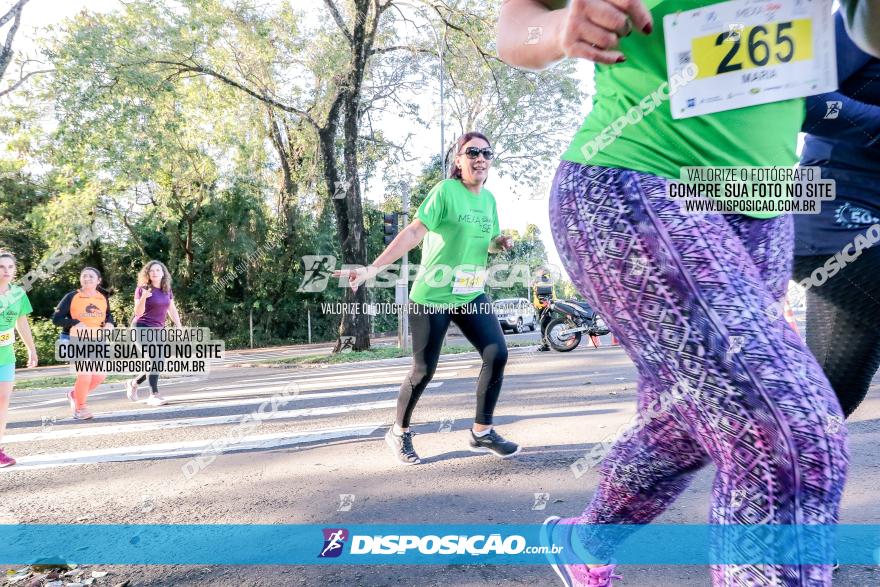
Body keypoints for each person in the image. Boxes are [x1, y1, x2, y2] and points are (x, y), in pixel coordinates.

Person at [499, 2, 848, 586]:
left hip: (761, 201)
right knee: (787, 434)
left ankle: (583, 543)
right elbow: (515, 28)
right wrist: (559, 29)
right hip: (637, 175)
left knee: (681, 423)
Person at [334, 132, 520, 465]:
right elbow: (414, 231)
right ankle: (399, 431)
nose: (480, 158)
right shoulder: (446, 192)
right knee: (424, 370)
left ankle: (481, 431)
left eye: (486, 153)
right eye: (472, 152)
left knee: (497, 354)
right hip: (432, 295)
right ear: (458, 160)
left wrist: (498, 243)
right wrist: (372, 269)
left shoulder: (489, 200)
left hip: (469, 292)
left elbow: (487, 241)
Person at [793, 11, 880, 419]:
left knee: (828, 399)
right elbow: (798, 98)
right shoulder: (861, 18)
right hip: (833, 215)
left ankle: (765, 467)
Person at [52, 267, 116, 420]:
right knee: (85, 373)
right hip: (75, 339)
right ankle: (80, 408)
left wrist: (110, 323)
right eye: (84, 276)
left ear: (98, 280)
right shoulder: (71, 296)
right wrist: (75, 322)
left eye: (91, 276)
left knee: (100, 376)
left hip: (97, 339)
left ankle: (74, 395)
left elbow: (108, 316)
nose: (87, 278)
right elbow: (56, 319)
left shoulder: (102, 297)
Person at [125, 260, 182, 406]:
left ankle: (134, 382)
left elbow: (171, 309)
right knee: (153, 358)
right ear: (147, 274)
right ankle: (153, 394)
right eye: (152, 270)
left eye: (158, 270)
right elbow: (138, 312)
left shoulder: (166, 289)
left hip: (158, 330)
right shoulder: (142, 289)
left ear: (163, 273)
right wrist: (144, 296)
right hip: (141, 327)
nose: (155, 272)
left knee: (159, 361)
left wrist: (179, 325)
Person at [0, 251, 38, 467]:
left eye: (10, 267)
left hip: (6, 355)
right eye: (1, 267)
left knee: (3, 401)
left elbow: (21, 323)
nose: (6, 271)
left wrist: (31, 349)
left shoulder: (18, 294)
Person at [533, 267, 557, 351]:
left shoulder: (540, 281)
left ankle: (546, 345)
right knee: (547, 326)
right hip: (548, 306)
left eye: (537, 272)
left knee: (544, 326)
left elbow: (540, 295)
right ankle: (547, 344)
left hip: (543, 307)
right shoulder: (548, 280)